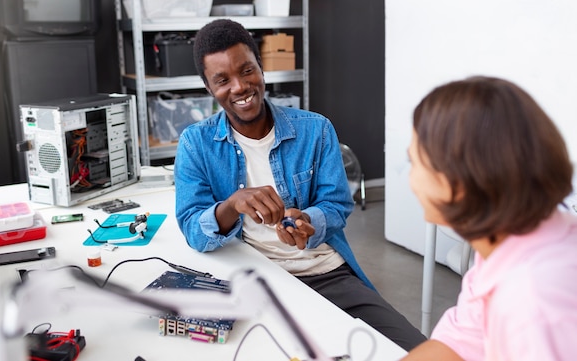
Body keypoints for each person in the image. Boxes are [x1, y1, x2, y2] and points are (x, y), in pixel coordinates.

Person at [173, 19, 426, 351]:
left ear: (261, 69)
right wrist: (232, 204)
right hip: (255, 278)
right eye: (222, 80)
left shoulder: (315, 129)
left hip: (325, 272)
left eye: (247, 70)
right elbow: (193, 227)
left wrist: (310, 222)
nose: (239, 87)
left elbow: (337, 204)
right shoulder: (196, 143)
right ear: (209, 88)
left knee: (412, 349)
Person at [403, 76, 577, 361]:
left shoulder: (534, 299)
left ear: (453, 184)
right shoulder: (505, 242)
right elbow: (461, 341)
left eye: (414, 162)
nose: (409, 178)